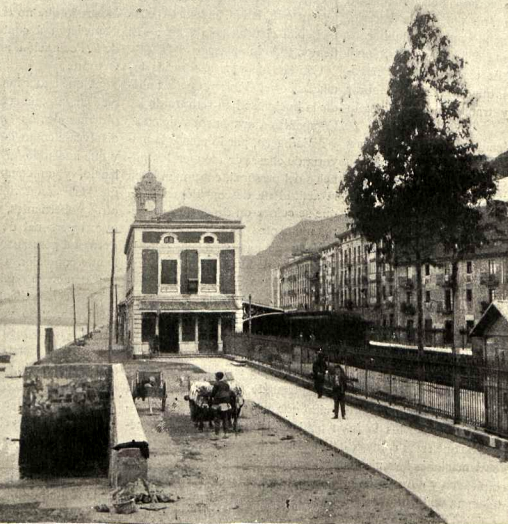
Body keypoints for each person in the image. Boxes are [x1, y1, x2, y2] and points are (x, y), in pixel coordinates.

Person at [209, 372, 232, 437]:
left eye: (215, 376)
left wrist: (210, 396)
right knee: (225, 418)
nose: (215, 377)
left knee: (217, 419)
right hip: (226, 403)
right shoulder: (226, 384)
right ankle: (226, 433)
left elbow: (213, 394)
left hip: (218, 403)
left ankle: (216, 434)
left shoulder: (216, 384)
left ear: (217, 377)